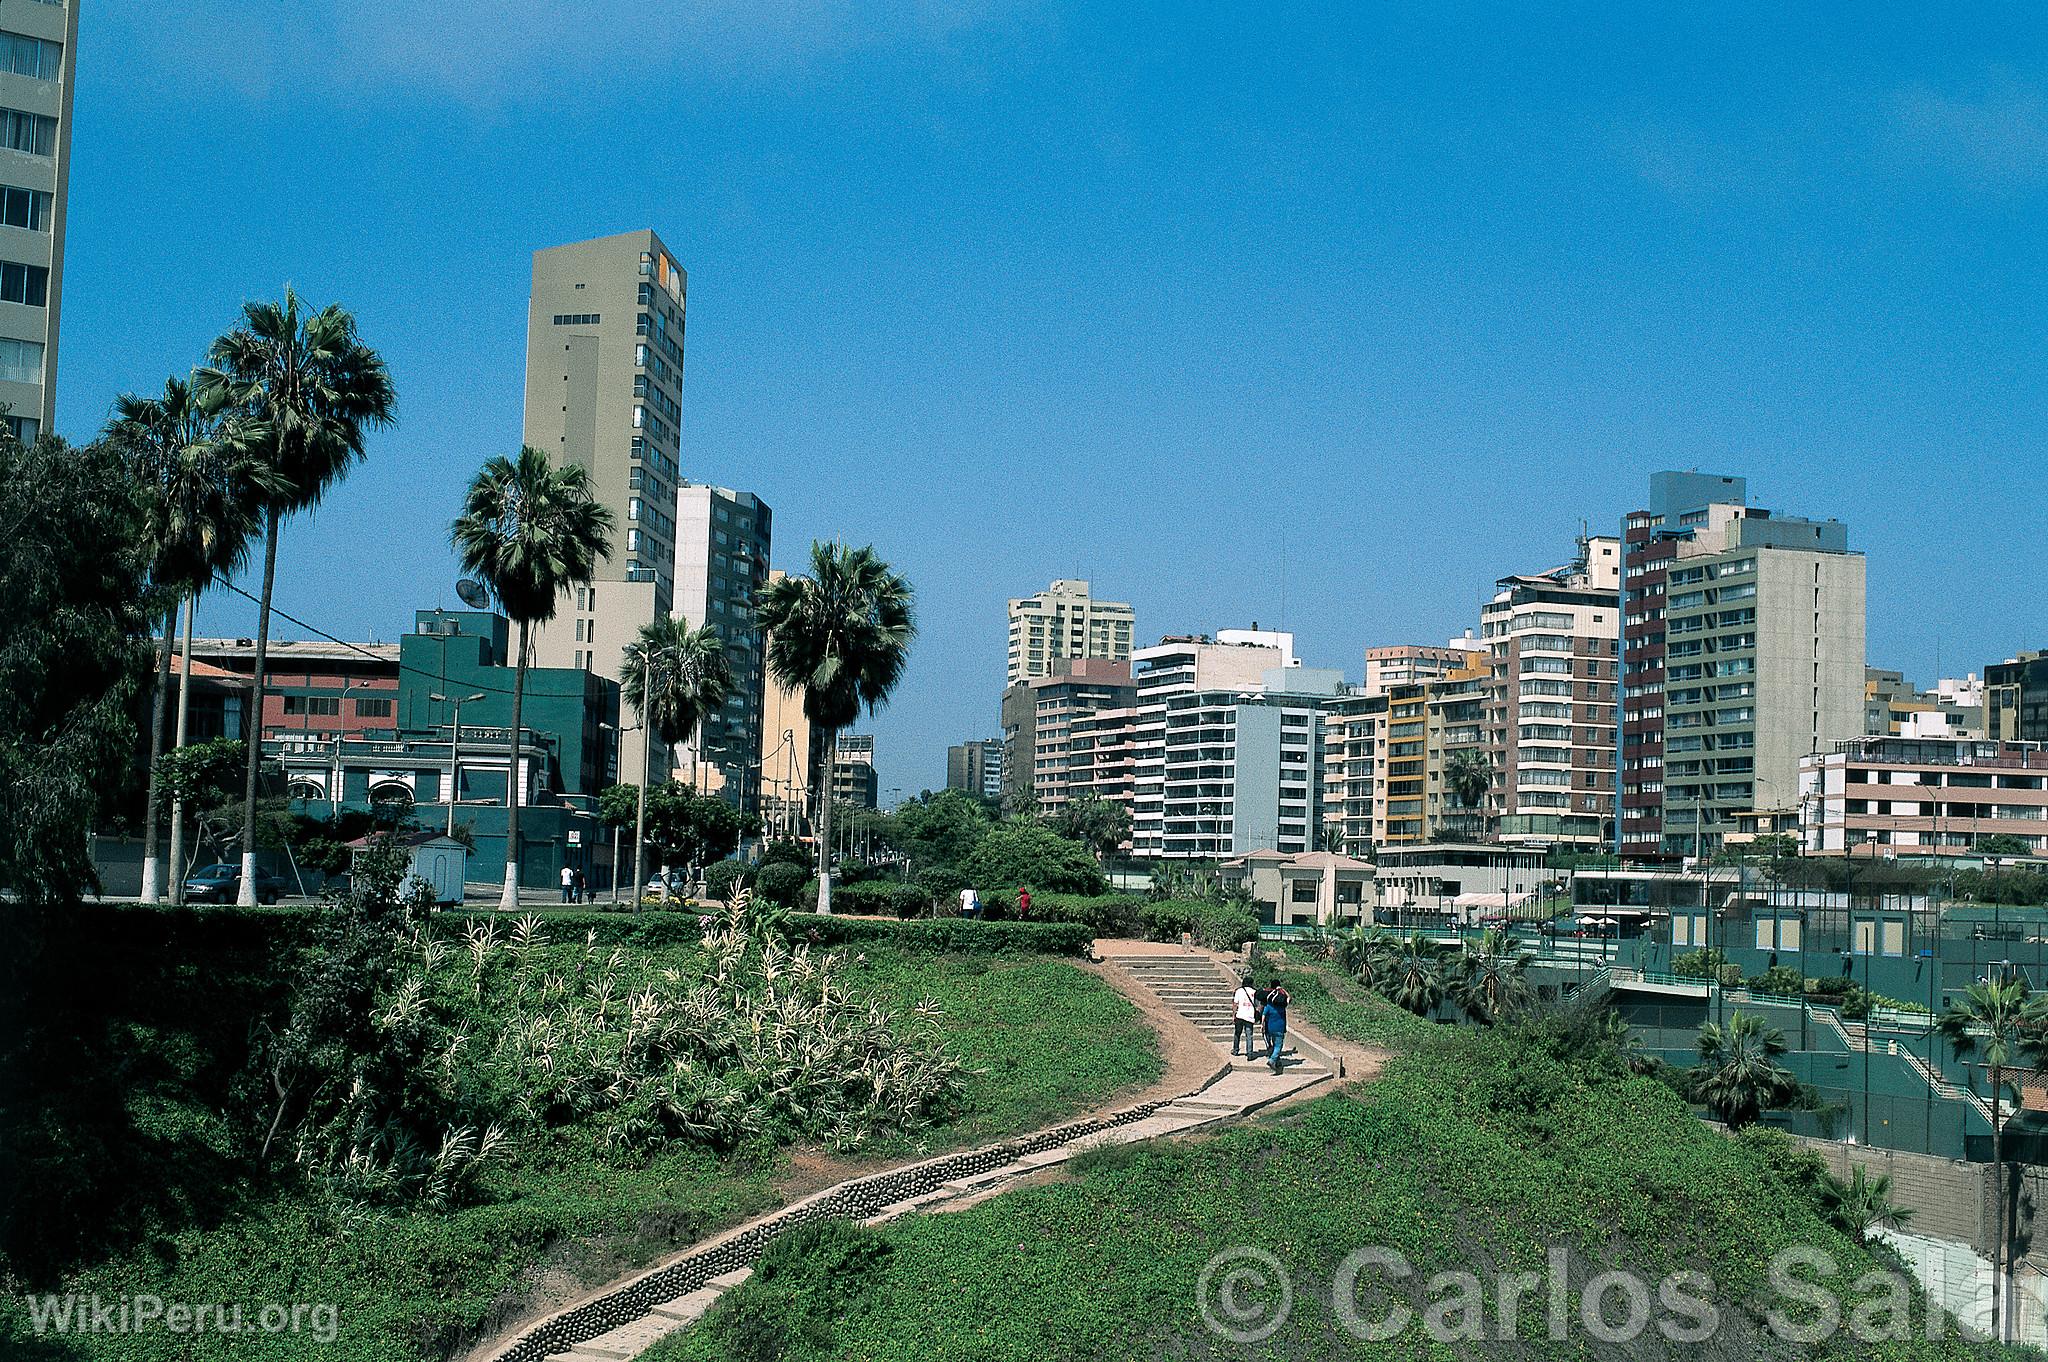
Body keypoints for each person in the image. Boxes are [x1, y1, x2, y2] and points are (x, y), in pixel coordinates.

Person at [1262, 982, 1290, 1073]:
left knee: (1274, 1044)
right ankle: (1272, 1060)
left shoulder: (1269, 1006)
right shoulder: (1283, 1006)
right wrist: (1282, 990)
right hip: (1280, 1028)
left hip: (1270, 1028)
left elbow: (1264, 1016)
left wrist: (1262, 1025)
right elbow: (1289, 998)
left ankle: (1277, 1062)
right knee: (1278, 1046)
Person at [1232, 976, 1259, 1060]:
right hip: (1249, 1016)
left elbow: (1235, 1004)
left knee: (1237, 1033)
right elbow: (1257, 1005)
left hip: (1240, 1015)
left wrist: (1234, 1015)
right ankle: (1250, 1053)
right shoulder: (1255, 992)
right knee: (1249, 1035)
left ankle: (1235, 1050)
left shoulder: (1238, 991)